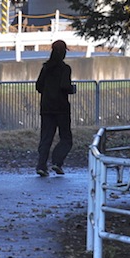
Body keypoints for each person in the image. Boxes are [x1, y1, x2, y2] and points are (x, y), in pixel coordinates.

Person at [35, 40, 75, 177]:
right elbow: (65, 86)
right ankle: (57, 162)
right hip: (61, 108)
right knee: (66, 138)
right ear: (64, 52)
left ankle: (41, 166)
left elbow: (38, 86)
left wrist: (48, 92)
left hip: (46, 107)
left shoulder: (45, 68)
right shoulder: (65, 69)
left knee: (46, 137)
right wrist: (71, 89)